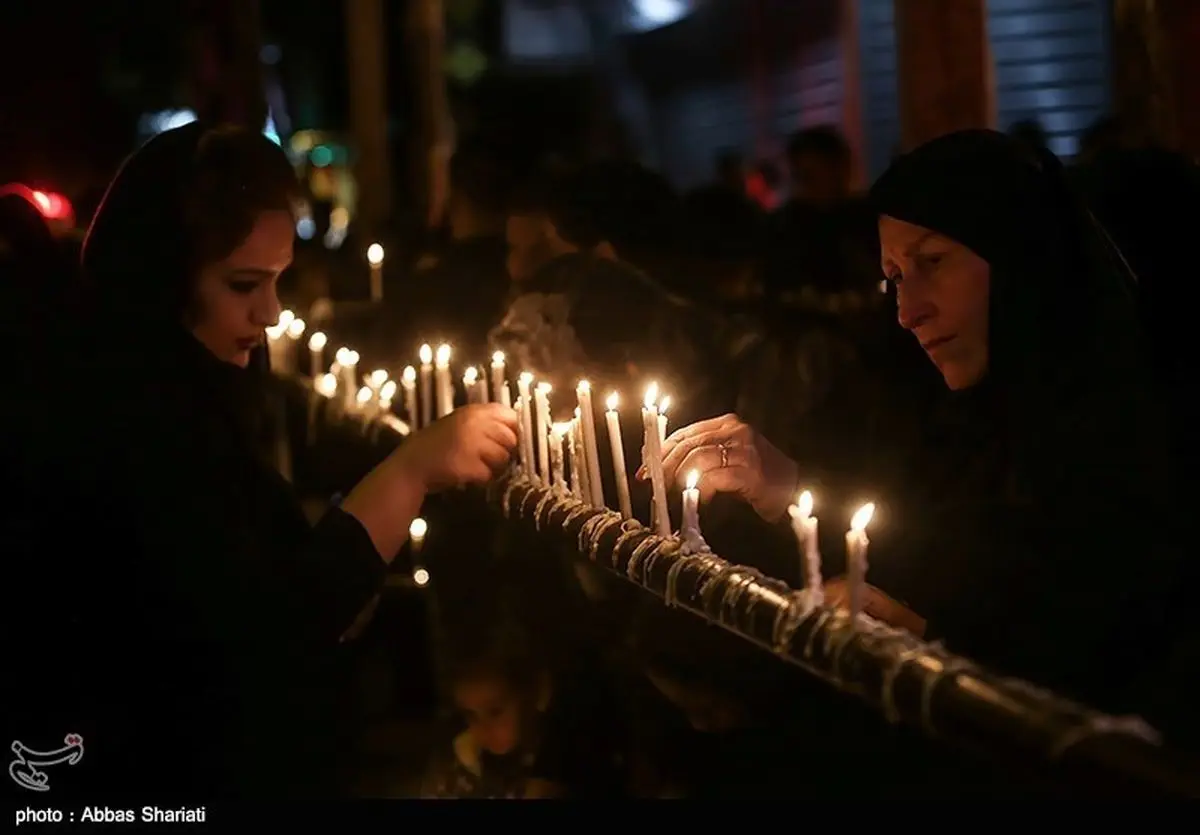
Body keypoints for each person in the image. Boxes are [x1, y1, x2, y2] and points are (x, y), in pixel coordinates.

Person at [7, 123, 518, 799]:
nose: (272, 313)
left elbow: (298, 424)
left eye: (278, 280)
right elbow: (280, 623)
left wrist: (405, 442)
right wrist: (411, 470)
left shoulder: (203, 379)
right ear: (161, 277)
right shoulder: (122, 424)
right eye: (244, 283)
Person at [646, 130, 1183, 715]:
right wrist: (786, 486)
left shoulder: (1148, 430)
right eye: (896, 277)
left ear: (1022, 254)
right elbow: (924, 538)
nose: (908, 312)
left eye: (933, 261)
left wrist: (936, 645)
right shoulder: (941, 416)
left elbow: (1109, 647)